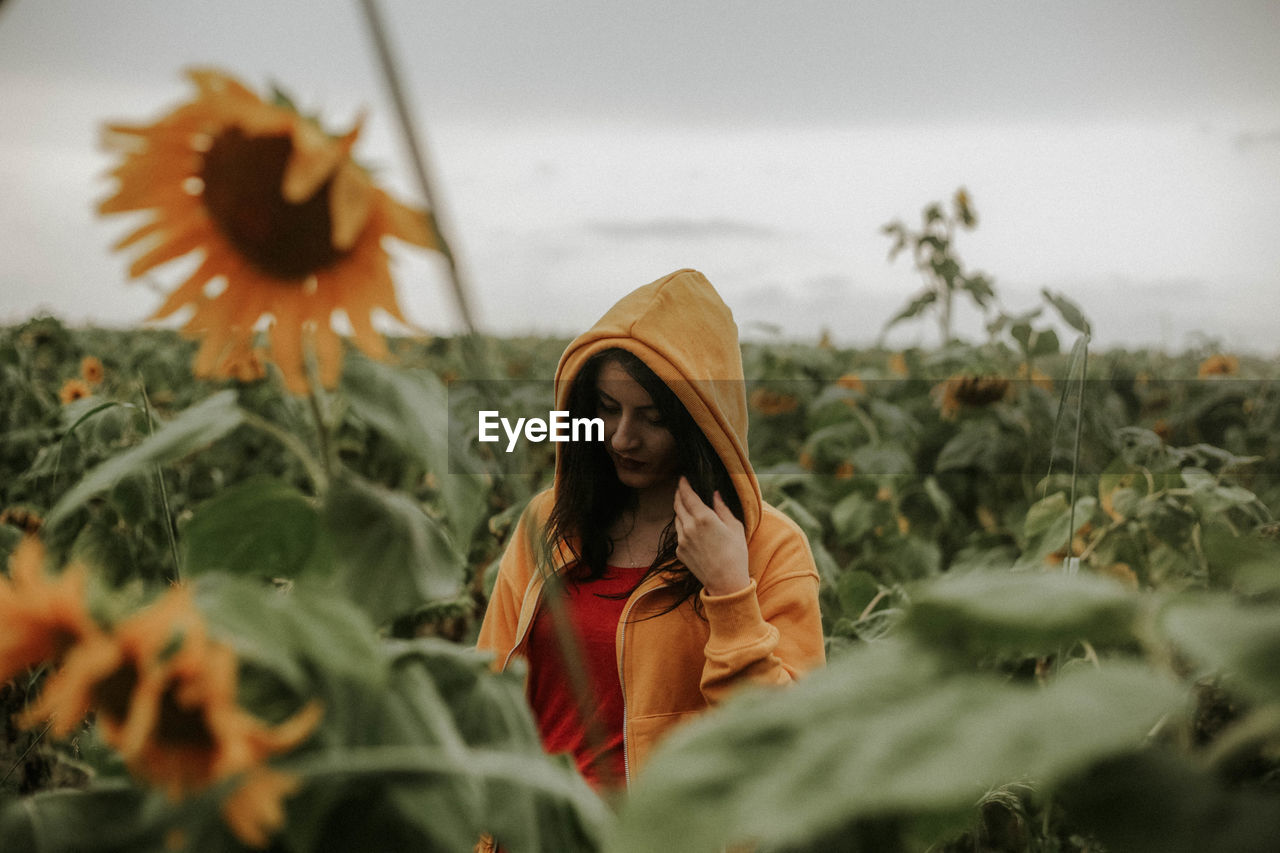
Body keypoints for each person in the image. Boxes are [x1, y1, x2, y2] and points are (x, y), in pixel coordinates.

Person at [475, 268, 825, 803]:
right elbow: (488, 690)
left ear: (702, 424)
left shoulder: (769, 547)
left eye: (653, 417)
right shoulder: (548, 521)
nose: (622, 437)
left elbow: (790, 745)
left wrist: (730, 592)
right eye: (607, 409)